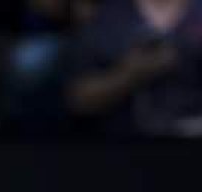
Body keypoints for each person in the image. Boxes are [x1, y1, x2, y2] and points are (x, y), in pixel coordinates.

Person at [66, 0, 202, 135]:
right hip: (120, 139)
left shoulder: (196, 13)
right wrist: (129, 75)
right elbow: (77, 98)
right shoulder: (106, 17)